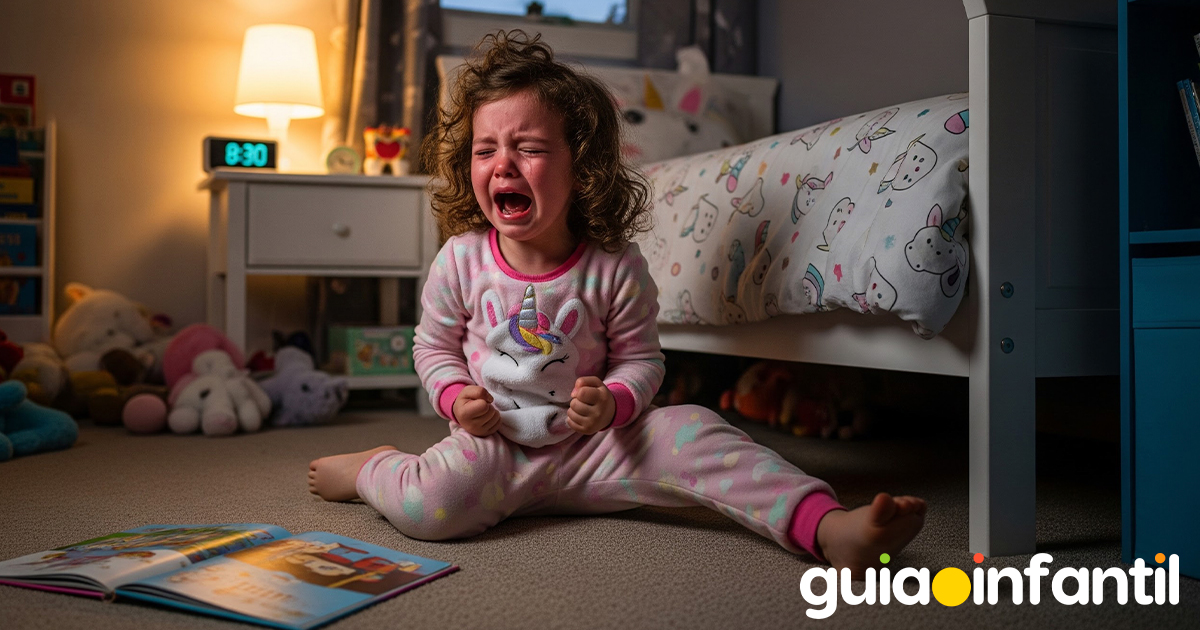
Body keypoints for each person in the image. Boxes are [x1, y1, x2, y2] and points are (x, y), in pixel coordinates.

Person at [308, 30, 925, 575]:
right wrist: (454, 398)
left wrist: (616, 400)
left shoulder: (615, 265)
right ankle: (374, 469)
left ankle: (825, 526)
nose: (503, 164)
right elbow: (433, 347)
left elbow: (643, 360)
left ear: (582, 168)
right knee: (429, 505)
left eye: (528, 147)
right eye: (485, 149)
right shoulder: (460, 259)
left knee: (696, 428)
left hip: (599, 448)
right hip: (496, 446)